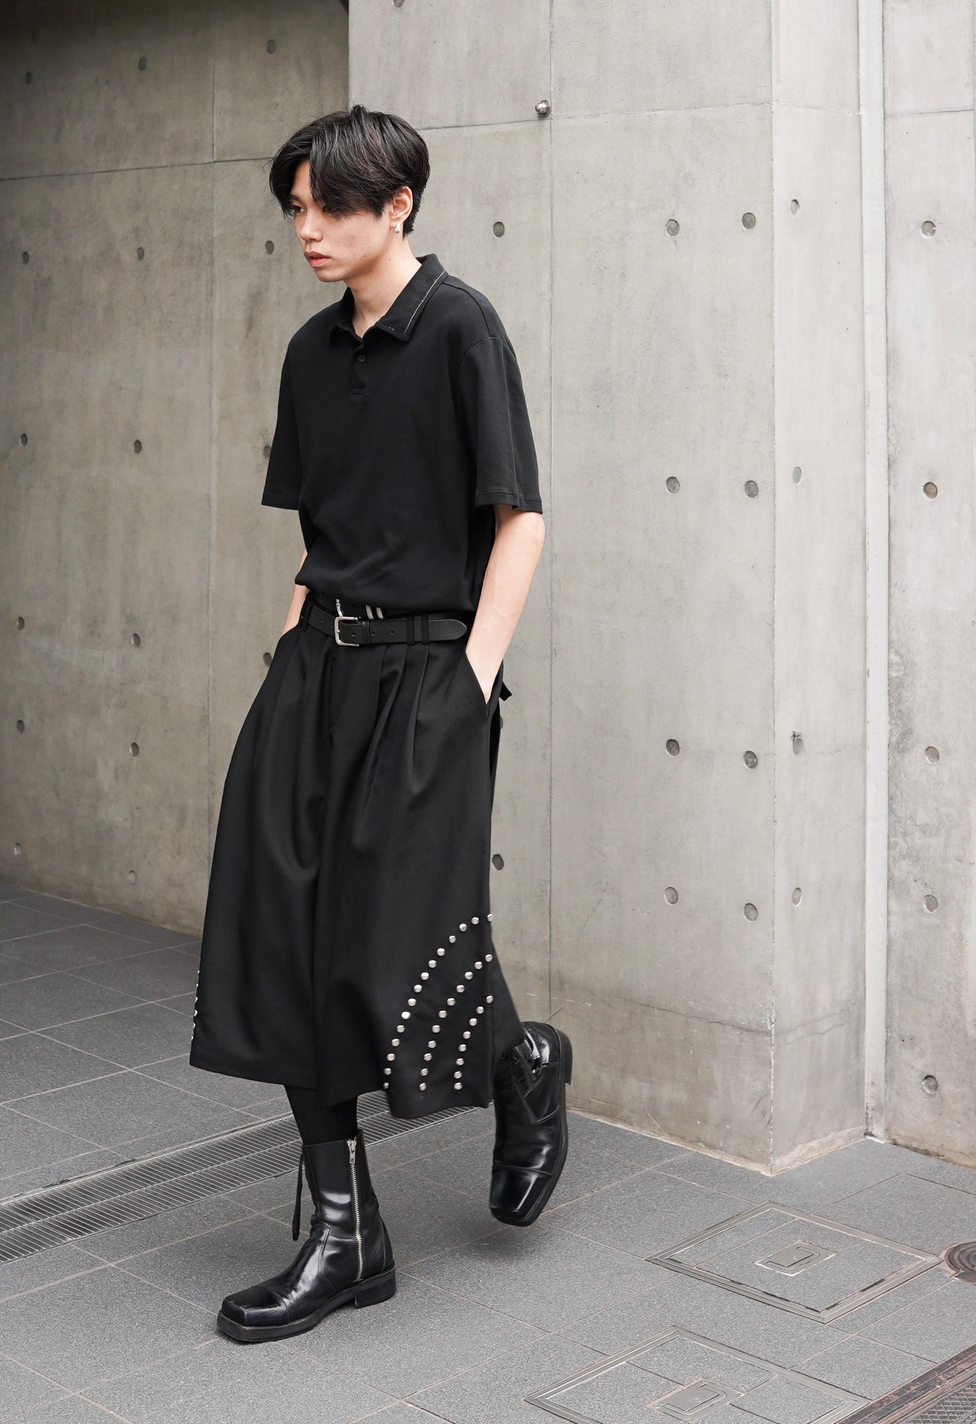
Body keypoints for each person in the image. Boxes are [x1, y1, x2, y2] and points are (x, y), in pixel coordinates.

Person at [189, 105, 572, 1343]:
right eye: (295, 207)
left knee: (390, 937)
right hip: (314, 670)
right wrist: (284, 665)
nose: (307, 228)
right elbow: (320, 539)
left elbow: (517, 518)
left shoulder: (460, 328)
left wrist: (466, 683)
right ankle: (345, 1235)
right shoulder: (309, 353)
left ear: (396, 203)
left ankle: (521, 1067)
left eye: (329, 206)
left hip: (425, 674)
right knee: (288, 934)